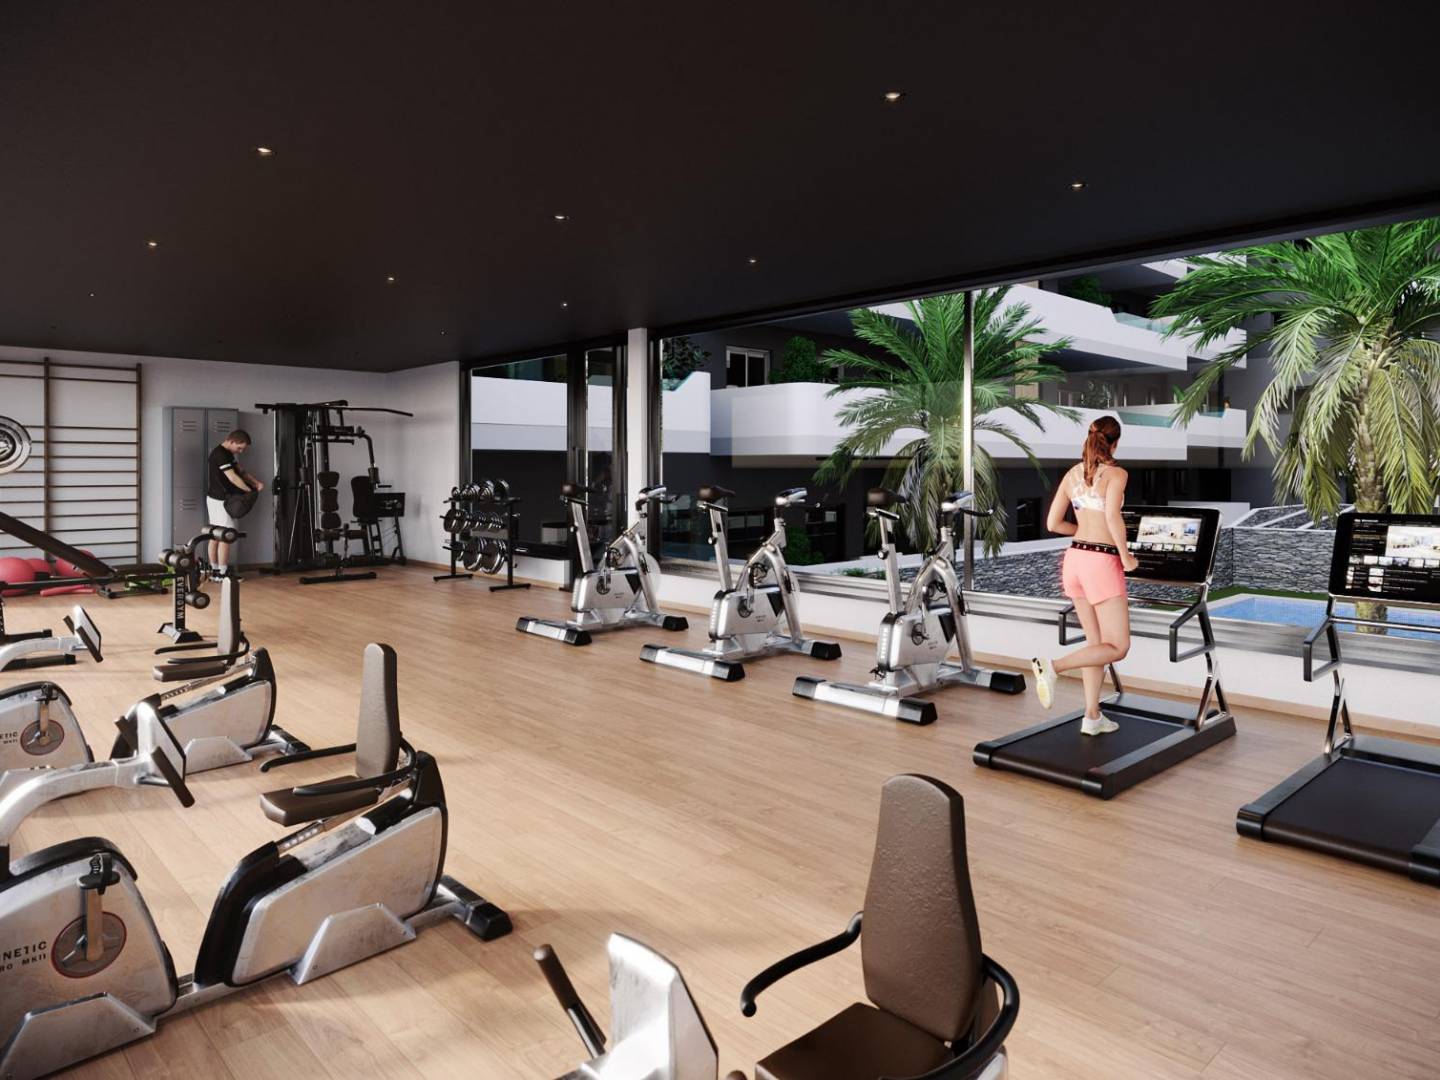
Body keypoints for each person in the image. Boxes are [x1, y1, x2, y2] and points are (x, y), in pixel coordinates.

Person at [1029, 415, 1136, 735]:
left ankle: (1092, 716)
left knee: (1096, 644)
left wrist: (1083, 533)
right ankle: (1053, 666)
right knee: (1118, 646)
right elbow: (1112, 516)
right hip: (1101, 562)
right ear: (1115, 443)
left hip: (1074, 559)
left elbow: (1053, 524)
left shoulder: (1073, 474)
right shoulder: (1117, 474)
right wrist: (1126, 556)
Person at [206, 429, 263, 576]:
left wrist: (255, 483)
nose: (241, 451)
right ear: (231, 441)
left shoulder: (227, 454)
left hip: (217, 499)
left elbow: (241, 472)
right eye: (239, 448)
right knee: (226, 536)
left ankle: (215, 571)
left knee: (216, 535)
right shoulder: (220, 454)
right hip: (220, 501)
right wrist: (248, 491)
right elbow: (232, 477)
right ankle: (222, 573)